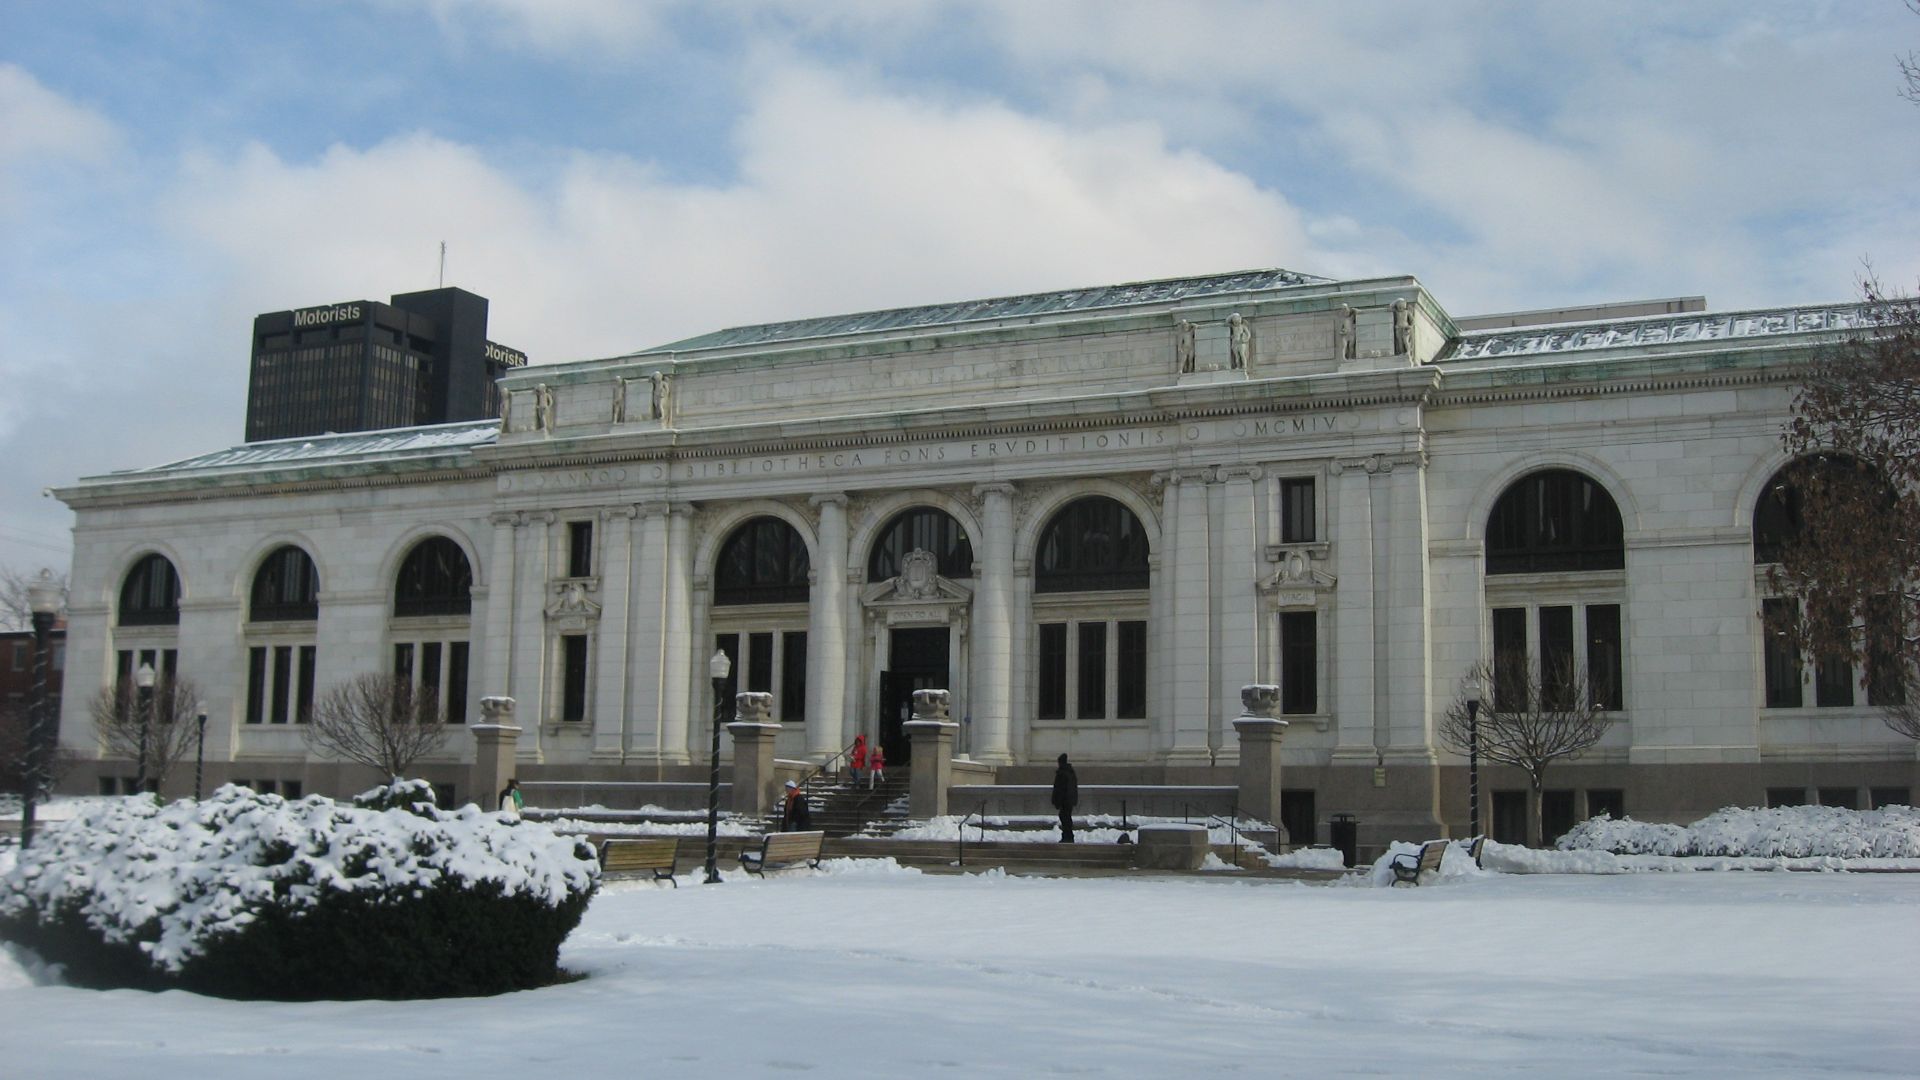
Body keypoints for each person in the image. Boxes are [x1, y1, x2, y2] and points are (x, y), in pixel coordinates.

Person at [1051, 753, 1078, 844]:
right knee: (1066, 817)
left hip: (1065, 800)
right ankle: (1068, 836)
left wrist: (1057, 801)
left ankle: (1067, 836)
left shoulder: (1062, 773)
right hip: (1069, 800)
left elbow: (1060, 789)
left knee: (1065, 817)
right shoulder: (1070, 772)